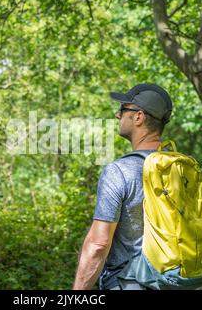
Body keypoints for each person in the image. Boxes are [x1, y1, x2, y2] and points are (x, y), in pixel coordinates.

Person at [73, 83, 173, 290]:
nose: (118, 116)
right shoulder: (180, 168)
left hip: (131, 282)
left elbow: (98, 244)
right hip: (176, 281)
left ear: (139, 117)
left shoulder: (119, 171)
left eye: (123, 110)